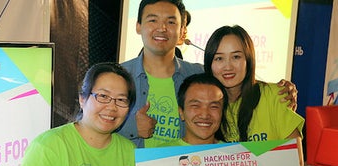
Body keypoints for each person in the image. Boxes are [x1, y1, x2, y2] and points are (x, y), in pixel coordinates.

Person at [118, 0, 298, 148]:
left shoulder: (198, 74)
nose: (162, 28)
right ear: (138, 26)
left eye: (171, 22)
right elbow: (91, 124)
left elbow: (233, 78)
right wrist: (132, 127)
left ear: (182, 32)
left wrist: (279, 89)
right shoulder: (117, 78)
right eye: (152, 20)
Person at [160, 72, 312, 166]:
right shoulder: (159, 158)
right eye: (196, 105)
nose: (205, 114)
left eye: (214, 106)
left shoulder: (239, 159)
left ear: (222, 112)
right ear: (181, 112)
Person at [12, 62, 138, 166]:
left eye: (121, 100)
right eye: (103, 96)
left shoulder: (130, 152)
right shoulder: (49, 146)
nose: (112, 107)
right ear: (82, 99)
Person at [203, 25, 306, 166]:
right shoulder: (207, 107)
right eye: (219, 58)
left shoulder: (276, 95)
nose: (228, 66)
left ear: (248, 60)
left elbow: (295, 162)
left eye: (236, 57)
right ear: (209, 64)